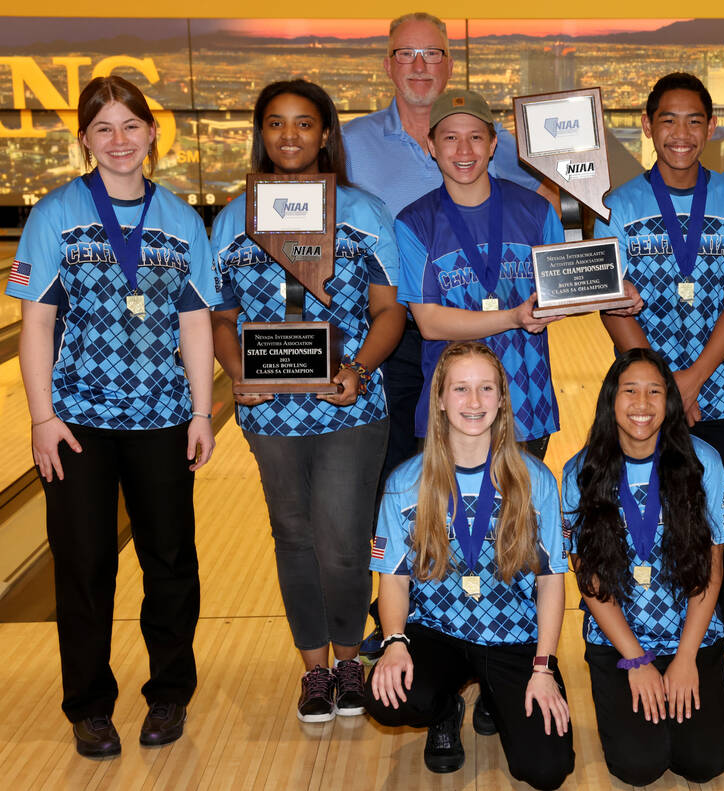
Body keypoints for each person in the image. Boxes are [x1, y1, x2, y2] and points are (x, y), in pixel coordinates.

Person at [9, 75, 217, 757]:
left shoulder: (182, 220)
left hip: (160, 420)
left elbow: (194, 320)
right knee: (83, 565)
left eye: (131, 125)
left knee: (169, 562)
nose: (120, 140)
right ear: (85, 141)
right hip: (77, 425)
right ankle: (90, 706)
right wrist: (43, 419)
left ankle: (168, 695)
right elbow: (35, 322)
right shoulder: (54, 215)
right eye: (104, 129)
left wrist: (201, 409)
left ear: (153, 133)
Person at [210, 79, 405, 723]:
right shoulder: (230, 217)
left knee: (344, 541)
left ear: (325, 134)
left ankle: (350, 658)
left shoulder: (364, 211)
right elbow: (221, 314)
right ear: (260, 133)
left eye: (303, 124)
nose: (288, 136)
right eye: (275, 124)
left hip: (348, 403)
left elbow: (388, 311)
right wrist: (239, 373)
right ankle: (314, 670)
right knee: (292, 536)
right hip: (268, 409)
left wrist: (358, 367)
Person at [595, 72, 724, 691]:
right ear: (647, 126)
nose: (681, 133)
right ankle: (648, 635)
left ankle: (712, 641)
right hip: (642, 402)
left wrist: (691, 380)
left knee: (713, 519)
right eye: (668, 120)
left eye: (694, 120)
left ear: (711, 127)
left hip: (717, 390)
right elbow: (610, 303)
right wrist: (663, 386)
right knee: (652, 513)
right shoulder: (621, 204)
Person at [343, 11, 553, 478]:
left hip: (493, 330)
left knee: (507, 477)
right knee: (407, 473)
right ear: (388, 65)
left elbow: (551, 202)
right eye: (406, 54)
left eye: (431, 54)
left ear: (449, 63)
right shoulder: (350, 143)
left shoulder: (503, 145)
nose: (419, 65)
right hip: (396, 329)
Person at [365, 342, 574, 790]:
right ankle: (444, 707)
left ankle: (498, 696)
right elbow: (394, 579)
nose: (474, 402)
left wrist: (544, 668)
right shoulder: (406, 484)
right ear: (439, 399)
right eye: (461, 389)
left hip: (513, 634)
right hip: (437, 630)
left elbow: (552, 580)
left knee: (546, 770)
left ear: (502, 400)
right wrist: (395, 642)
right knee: (388, 699)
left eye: (486, 389)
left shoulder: (536, 481)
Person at [562, 348, 724, 786]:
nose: (642, 404)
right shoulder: (579, 472)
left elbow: (712, 569)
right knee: (638, 767)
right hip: (619, 639)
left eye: (655, 392)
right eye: (631, 391)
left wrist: (684, 658)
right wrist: (636, 659)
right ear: (611, 400)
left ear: (670, 402)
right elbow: (590, 580)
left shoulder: (704, 463)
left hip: (689, 634)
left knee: (703, 763)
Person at [394, 88, 575, 459]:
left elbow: (567, 289)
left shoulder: (537, 211)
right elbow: (429, 323)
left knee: (521, 515)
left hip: (526, 403)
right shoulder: (413, 224)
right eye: (450, 138)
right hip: (451, 410)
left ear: (493, 144)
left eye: (476, 137)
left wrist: (615, 290)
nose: (464, 151)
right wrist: (513, 317)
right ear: (431, 145)